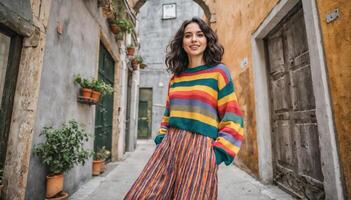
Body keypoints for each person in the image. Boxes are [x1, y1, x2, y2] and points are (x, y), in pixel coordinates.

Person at [124, 17, 244, 200]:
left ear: (207, 40)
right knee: (142, 194)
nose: (194, 39)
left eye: (199, 35)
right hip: (170, 147)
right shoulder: (176, 78)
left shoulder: (219, 72)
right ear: (182, 42)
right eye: (188, 36)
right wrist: (161, 140)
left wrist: (216, 155)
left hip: (201, 150)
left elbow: (233, 119)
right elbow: (167, 115)